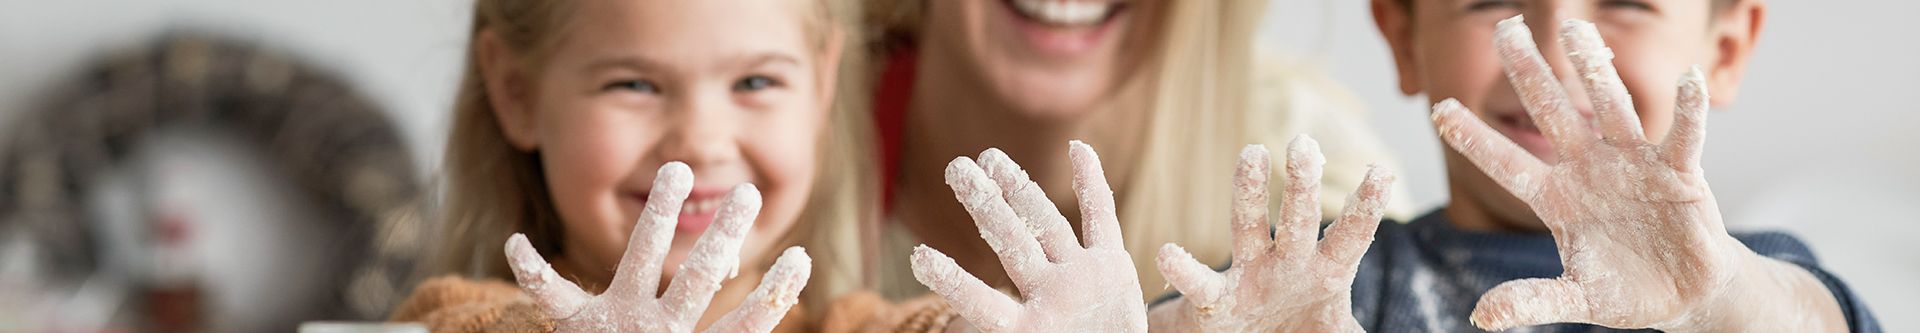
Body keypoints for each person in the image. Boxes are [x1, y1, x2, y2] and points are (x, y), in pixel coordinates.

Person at [387, 0, 875, 331]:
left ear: (821, 88)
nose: (702, 145)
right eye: (634, 85)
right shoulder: (461, 316)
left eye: (755, 82)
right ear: (517, 93)